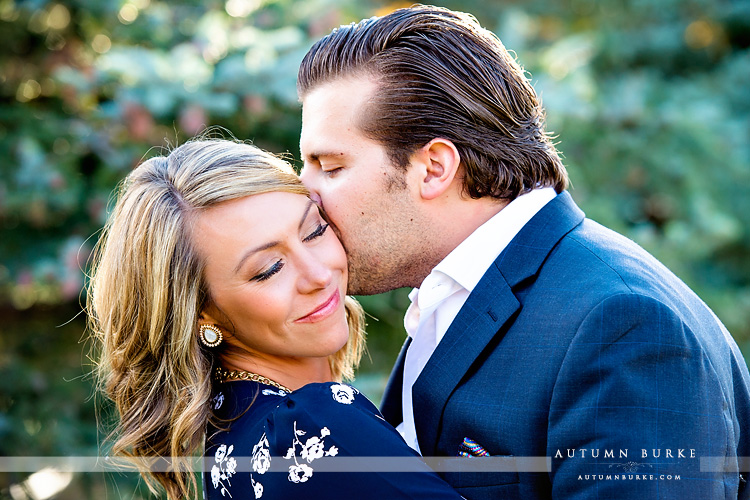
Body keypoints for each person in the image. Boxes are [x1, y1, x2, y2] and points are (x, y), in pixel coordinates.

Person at [298, 5, 750, 499]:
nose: (306, 195)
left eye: (330, 166)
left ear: (433, 168)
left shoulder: (623, 325)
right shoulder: (450, 296)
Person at [88, 138, 463, 500]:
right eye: (269, 269)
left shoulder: (232, 442)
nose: (317, 274)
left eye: (314, 230)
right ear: (200, 312)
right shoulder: (312, 427)